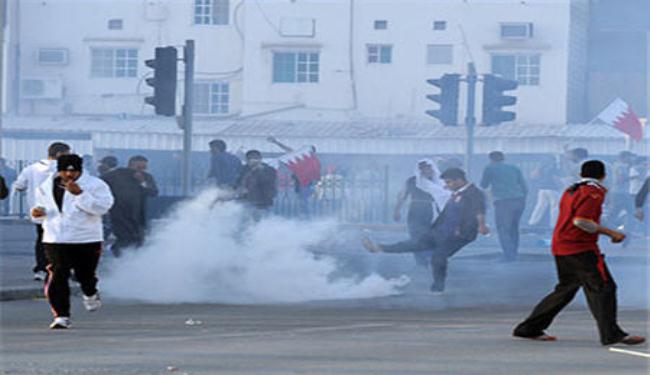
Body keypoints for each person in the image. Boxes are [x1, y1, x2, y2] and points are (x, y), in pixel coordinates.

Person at [512, 160, 645, 346]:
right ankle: (611, 334)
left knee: (566, 289)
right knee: (603, 288)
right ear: (604, 175)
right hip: (579, 248)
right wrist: (611, 233)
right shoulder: (593, 192)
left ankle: (529, 328)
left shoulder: (571, 189)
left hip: (561, 245)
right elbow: (581, 221)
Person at [362, 168, 489, 293]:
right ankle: (378, 248)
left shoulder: (474, 193)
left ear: (459, 180)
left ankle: (438, 288)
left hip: (460, 233)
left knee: (439, 256)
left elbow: (479, 210)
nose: (447, 185)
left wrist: (481, 225)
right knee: (415, 243)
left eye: (449, 182)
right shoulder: (457, 193)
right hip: (441, 230)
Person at [31, 154, 114, 329]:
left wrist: (80, 194)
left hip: (86, 238)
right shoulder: (45, 186)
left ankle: (90, 292)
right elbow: (42, 210)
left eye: (74, 172)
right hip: (55, 238)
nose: (69, 176)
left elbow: (102, 208)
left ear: (80, 170)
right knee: (57, 273)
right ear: (58, 170)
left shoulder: (95, 185)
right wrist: (38, 213)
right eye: (65, 172)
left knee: (85, 275)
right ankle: (61, 316)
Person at [13, 142, 70, 281]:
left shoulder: (31, 169)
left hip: (40, 211)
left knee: (42, 240)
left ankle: (41, 269)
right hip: (61, 211)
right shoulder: (66, 170)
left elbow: (19, 186)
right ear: (60, 154)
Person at [393, 159, 450, 268]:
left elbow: (445, 197)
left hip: (430, 210)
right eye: (423, 168)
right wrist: (397, 211)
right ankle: (421, 261)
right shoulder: (412, 181)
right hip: (415, 210)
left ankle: (431, 258)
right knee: (415, 235)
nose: (426, 170)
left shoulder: (437, 181)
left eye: (428, 168)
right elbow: (402, 196)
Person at [102, 155, 158, 257]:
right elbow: (100, 185)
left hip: (138, 214)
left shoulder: (147, 177)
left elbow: (153, 192)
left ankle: (133, 263)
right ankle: (119, 261)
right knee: (125, 239)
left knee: (138, 239)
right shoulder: (115, 175)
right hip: (119, 213)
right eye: (139, 167)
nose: (141, 170)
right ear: (130, 165)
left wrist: (143, 182)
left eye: (144, 168)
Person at [480, 151, 527, 261]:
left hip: (503, 202)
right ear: (503, 158)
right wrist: (522, 198)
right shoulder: (514, 168)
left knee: (503, 229)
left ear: (491, 159)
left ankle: (509, 256)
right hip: (519, 201)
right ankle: (513, 253)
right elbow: (524, 186)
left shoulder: (490, 168)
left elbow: (483, 185)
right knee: (514, 228)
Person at [267, 136, 321, 219]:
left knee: (305, 201)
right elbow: (288, 150)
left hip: (308, 183)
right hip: (301, 182)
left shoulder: (312, 159)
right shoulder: (301, 157)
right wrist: (276, 142)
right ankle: (305, 215)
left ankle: (307, 216)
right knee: (302, 200)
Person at [232, 150, 277, 221]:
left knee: (261, 225)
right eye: (250, 158)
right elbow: (237, 183)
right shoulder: (242, 169)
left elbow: (268, 182)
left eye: (255, 158)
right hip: (245, 202)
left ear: (260, 159)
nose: (253, 160)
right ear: (247, 160)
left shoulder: (268, 169)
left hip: (262, 203)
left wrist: (258, 170)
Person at [527, 156, 561, 228]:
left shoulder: (541, 168)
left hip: (542, 189)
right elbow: (556, 179)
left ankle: (532, 222)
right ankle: (553, 224)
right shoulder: (554, 169)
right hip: (552, 189)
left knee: (540, 206)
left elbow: (533, 177)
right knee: (555, 207)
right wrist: (560, 185)